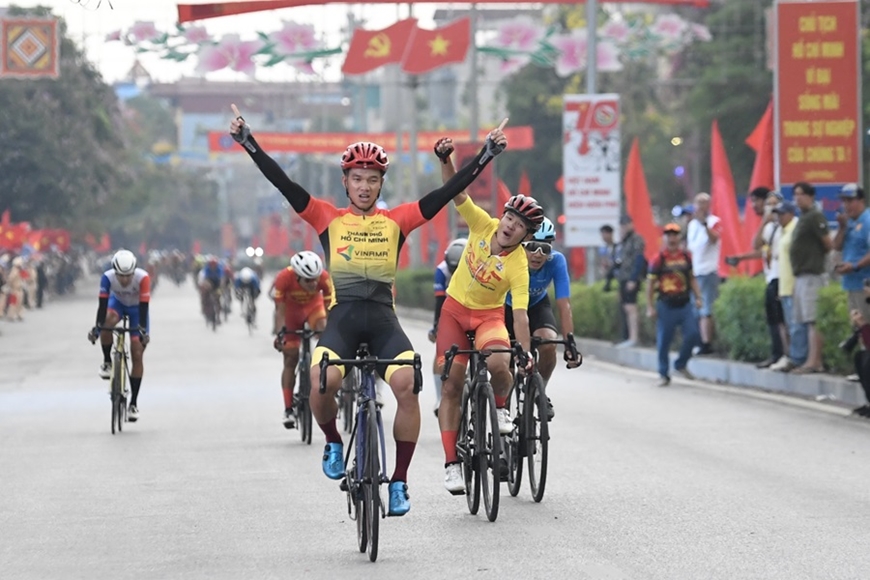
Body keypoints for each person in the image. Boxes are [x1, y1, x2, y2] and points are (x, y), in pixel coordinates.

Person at [230, 105, 507, 517]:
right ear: (345, 181)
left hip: (382, 323)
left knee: (408, 386)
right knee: (319, 381)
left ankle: (399, 481)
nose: (364, 186)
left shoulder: (398, 220)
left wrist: (485, 154)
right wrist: (248, 142)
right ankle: (332, 441)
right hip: (342, 322)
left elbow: (448, 191)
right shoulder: (326, 217)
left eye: (372, 179)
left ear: (381, 184)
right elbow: (283, 183)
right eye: (357, 178)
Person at [430, 136, 538, 495]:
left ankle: (501, 408)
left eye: (519, 225)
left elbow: (519, 314)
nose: (510, 225)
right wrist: (445, 159)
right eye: (509, 217)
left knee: (500, 364)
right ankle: (451, 464)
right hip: (454, 313)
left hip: (489, 318)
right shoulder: (482, 224)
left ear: (525, 235)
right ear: (502, 216)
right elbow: (456, 191)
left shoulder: (519, 264)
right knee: (451, 384)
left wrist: (525, 352)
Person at [505, 216, 582, 420]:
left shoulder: (557, 261)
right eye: (532, 247)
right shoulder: (510, 258)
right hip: (507, 307)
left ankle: (539, 391)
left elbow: (564, 305)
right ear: (521, 245)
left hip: (537, 305)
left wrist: (570, 343)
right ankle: (502, 406)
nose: (538, 254)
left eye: (545, 249)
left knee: (548, 342)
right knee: (506, 360)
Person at [727, 189, 788, 368]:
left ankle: (786, 355)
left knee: (782, 320)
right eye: (769, 204)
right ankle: (776, 354)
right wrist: (764, 221)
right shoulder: (769, 227)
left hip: (781, 276)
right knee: (772, 319)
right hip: (771, 276)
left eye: (774, 204)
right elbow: (757, 246)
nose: (771, 208)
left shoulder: (786, 227)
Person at [87, 249, 150, 421]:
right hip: (118, 305)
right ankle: (107, 361)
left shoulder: (143, 278)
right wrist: (97, 329)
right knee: (107, 322)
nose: (124, 280)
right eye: (120, 276)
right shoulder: (107, 278)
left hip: (137, 310)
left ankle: (133, 403)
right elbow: (102, 306)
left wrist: (142, 332)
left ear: (134, 271)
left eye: (128, 276)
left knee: (137, 352)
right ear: (115, 271)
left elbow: (144, 308)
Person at [273, 251, 333, 429]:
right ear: (297, 276)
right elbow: (280, 311)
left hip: (314, 308)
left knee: (323, 326)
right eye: (308, 280)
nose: (313, 283)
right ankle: (288, 408)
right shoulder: (284, 278)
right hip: (291, 312)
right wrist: (281, 334)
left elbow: (329, 309)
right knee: (290, 358)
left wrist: (331, 334)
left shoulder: (324, 278)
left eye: (315, 279)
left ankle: (322, 371)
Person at [645, 223, 702, 387]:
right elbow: (651, 284)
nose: (672, 238)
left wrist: (698, 297)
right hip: (666, 305)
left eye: (675, 235)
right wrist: (650, 306)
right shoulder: (658, 259)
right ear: (664, 238)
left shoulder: (686, 257)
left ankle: (681, 363)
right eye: (669, 235)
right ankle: (663, 373)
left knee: (693, 334)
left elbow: (692, 278)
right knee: (664, 341)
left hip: (684, 304)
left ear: (679, 238)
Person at [789, 182, 831, 373]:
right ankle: (810, 359)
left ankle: (815, 361)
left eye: (801, 194)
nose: (798, 198)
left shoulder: (815, 216)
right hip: (801, 275)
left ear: (811, 196)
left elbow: (827, 243)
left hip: (812, 274)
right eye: (795, 194)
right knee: (806, 320)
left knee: (813, 319)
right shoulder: (803, 217)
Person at [428, 238, 468, 417]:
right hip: (449, 307)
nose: (454, 273)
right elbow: (439, 301)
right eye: (452, 270)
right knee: (441, 352)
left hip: (471, 307)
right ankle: (439, 398)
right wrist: (436, 328)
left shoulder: (476, 265)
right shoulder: (441, 270)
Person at [770, 201, 808, 372]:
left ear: (792, 214)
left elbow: (798, 259)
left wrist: (794, 284)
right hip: (784, 284)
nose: (779, 217)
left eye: (782, 214)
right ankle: (793, 356)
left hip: (793, 284)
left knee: (796, 325)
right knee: (790, 324)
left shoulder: (795, 230)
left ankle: (798, 358)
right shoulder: (783, 231)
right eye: (777, 214)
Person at [685, 192, 721, 355]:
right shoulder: (692, 224)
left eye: (703, 203)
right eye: (698, 203)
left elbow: (714, 239)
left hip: (708, 270)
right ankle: (697, 341)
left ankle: (707, 343)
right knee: (695, 308)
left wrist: (704, 224)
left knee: (706, 307)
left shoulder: (714, 221)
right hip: (695, 270)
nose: (700, 207)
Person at [833, 183, 870, 324]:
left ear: (861, 201)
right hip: (851, 284)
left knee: (866, 328)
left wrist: (854, 266)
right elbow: (836, 246)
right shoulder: (849, 222)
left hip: (865, 285)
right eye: (844, 201)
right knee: (857, 329)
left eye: (850, 201)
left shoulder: (867, 220)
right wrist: (842, 227)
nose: (846, 205)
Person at [613, 215, 646, 348]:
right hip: (623, 277)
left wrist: (633, 278)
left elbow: (639, 260)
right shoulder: (623, 241)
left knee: (631, 307)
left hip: (631, 277)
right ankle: (626, 336)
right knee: (625, 308)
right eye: (622, 225)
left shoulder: (636, 240)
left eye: (626, 225)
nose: (624, 228)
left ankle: (634, 337)